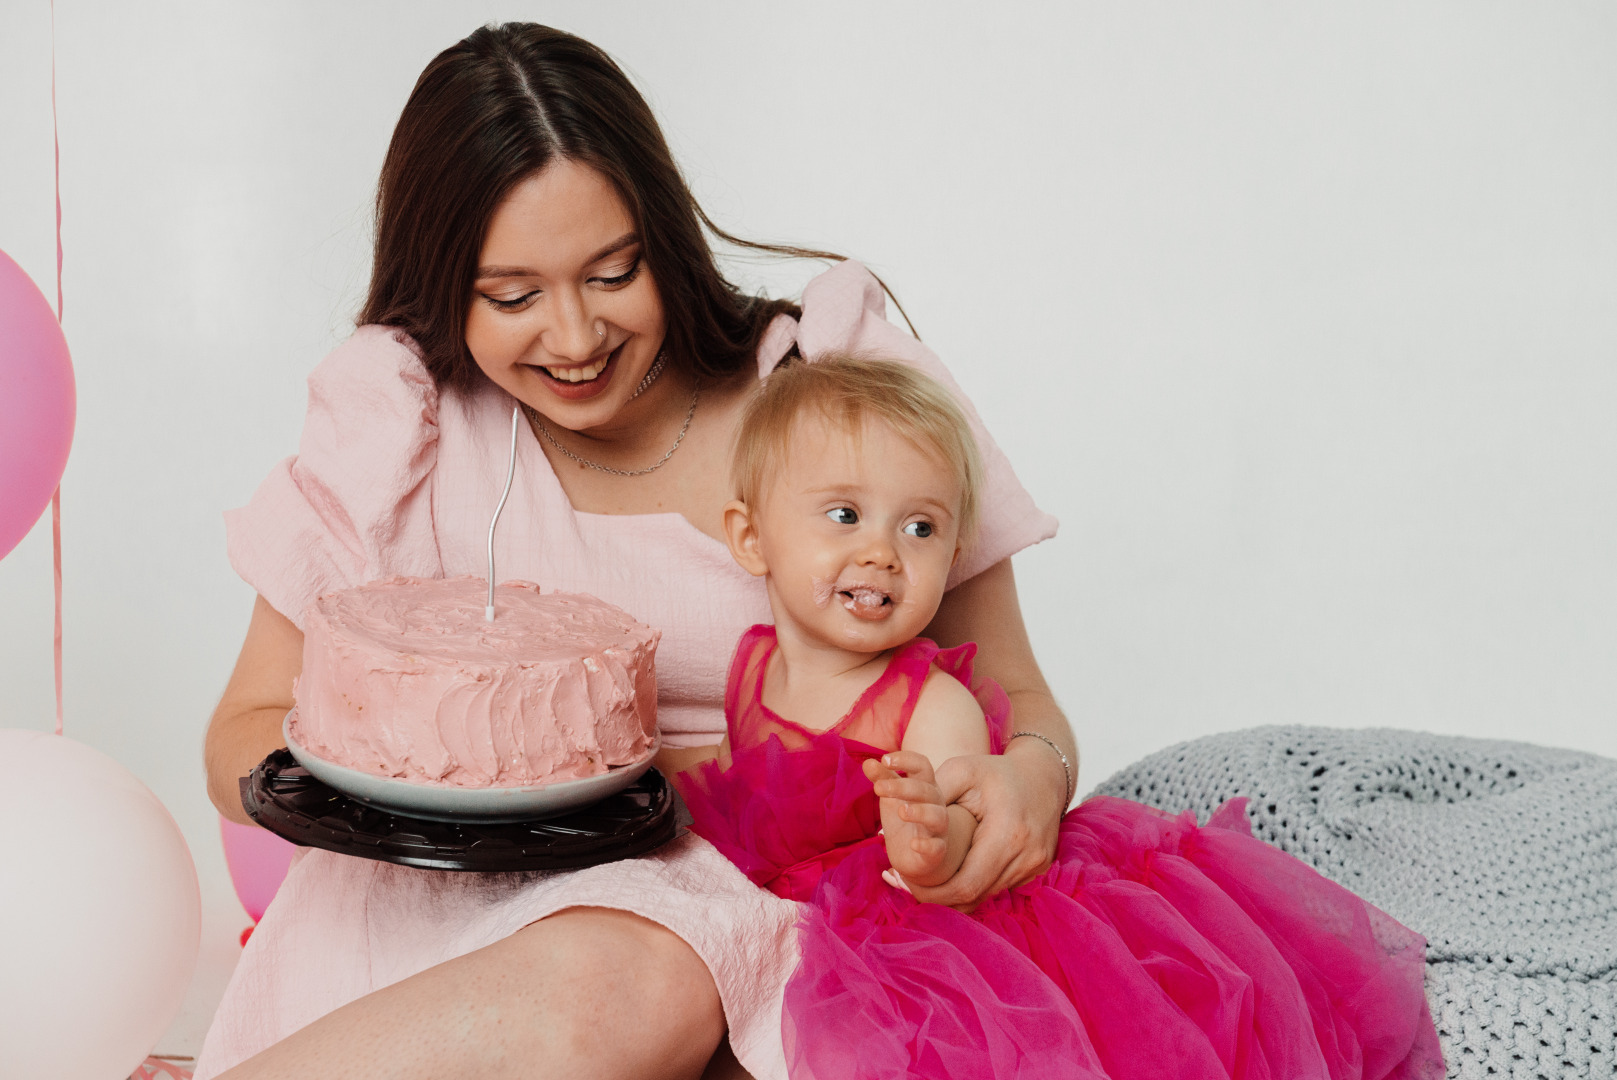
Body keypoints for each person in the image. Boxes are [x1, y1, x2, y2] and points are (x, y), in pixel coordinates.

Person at [197, 22, 1066, 1080]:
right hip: (434, 898)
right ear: (442, 280)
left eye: (613, 275)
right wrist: (436, 785)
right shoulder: (404, 425)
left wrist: (1030, 779)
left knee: (607, 986)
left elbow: (1020, 695)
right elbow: (238, 734)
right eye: (511, 297)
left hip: (751, 885)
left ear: (665, 234)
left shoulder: (827, 397)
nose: (573, 339)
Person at [678, 356, 1447, 1080]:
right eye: (845, 515)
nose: (882, 552)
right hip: (808, 917)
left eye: (920, 529)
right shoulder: (754, 667)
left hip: (936, 930)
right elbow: (738, 773)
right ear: (751, 539)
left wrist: (926, 836)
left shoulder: (928, 703)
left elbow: (971, 844)